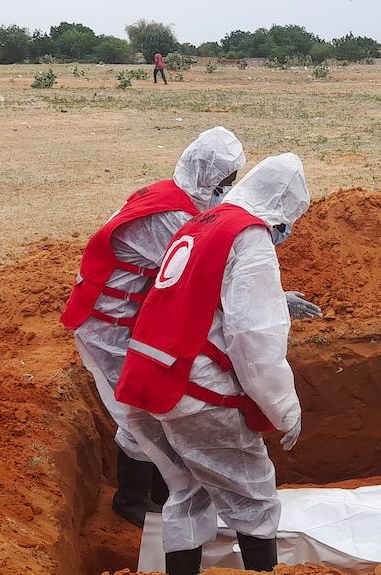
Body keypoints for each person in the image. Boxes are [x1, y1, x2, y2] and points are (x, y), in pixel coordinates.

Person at [115, 153, 310, 575]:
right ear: (283, 209)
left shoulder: (201, 223)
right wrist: (285, 408)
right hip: (194, 388)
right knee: (254, 496)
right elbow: (254, 338)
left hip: (147, 377)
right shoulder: (250, 237)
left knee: (187, 491)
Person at [60, 126, 247, 528]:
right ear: (208, 176)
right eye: (223, 183)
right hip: (108, 325)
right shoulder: (171, 215)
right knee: (138, 408)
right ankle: (131, 497)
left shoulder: (169, 193)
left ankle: (165, 492)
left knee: (152, 405)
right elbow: (196, 275)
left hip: (126, 317)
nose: (225, 190)